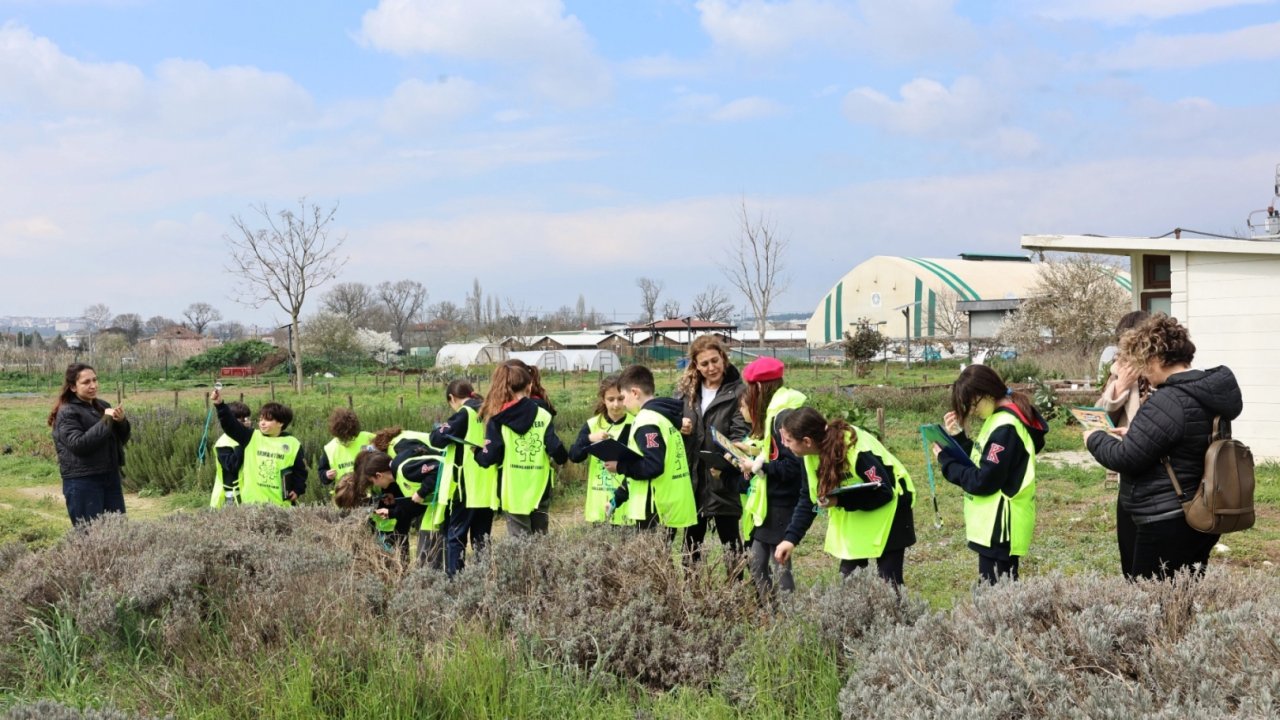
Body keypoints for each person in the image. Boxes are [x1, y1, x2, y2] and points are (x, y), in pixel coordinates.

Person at [1085, 314, 1242, 580]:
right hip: (1200, 508)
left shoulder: (1169, 400)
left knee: (1150, 596)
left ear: (1156, 357)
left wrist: (1093, 438)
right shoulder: (1205, 391)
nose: (1144, 372)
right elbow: (1181, 440)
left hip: (1166, 518)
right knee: (1182, 593)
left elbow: (1125, 458)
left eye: (1144, 363)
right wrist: (1138, 434)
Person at [776, 407, 916, 586]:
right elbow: (808, 499)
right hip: (859, 514)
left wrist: (839, 500)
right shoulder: (807, 456)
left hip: (893, 511)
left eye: (788, 440)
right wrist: (790, 539)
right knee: (849, 583)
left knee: (889, 583)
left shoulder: (856, 451)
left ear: (807, 441)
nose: (785, 445)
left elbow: (884, 492)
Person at [934, 364, 1047, 584]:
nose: (971, 411)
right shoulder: (997, 419)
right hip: (991, 526)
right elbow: (982, 461)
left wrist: (947, 463)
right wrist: (959, 438)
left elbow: (983, 480)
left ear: (986, 393)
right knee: (994, 592)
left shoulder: (1005, 428)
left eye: (972, 403)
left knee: (996, 595)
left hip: (1000, 527)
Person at [733, 357, 812, 601]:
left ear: (758, 387)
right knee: (756, 562)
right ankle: (770, 610)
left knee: (779, 566)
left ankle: (788, 613)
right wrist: (755, 453)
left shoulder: (781, 418)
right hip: (770, 501)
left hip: (782, 502)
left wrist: (758, 466)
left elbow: (792, 467)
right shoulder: (777, 412)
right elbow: (776, 453)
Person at [676, 336, 748, 563]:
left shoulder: (739, 392)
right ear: (696, 365)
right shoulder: (687, 392)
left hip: (722, 478)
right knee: (690, 547)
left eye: (715, 361)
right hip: (693, 479)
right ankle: (691, 586)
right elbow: (671, 421)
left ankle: (736, 585)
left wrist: (726, 462)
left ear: (723, 358)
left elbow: (740, 433)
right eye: (704, 363)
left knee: (731, 546)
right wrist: (679, 426)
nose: (711, 368)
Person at [475, 363, 568, 536]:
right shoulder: (543, 414)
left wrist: (477, 454)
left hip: (512, 489)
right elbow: (557, 450)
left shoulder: (497, 418)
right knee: (541, 537)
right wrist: (563, 457)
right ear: (529, 386)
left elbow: (489, 457)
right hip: (540, 486)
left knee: (519, 542)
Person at [608, 365, 697, 535]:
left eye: (623, 397)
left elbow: (653, 466)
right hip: (669, 502)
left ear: (635, 392)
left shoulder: (646, 421)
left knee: (653, 553)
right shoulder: (665, 416)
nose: (623, 404)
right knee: (662, 553)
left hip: (654, 507)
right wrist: (618, 497)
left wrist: (620, 466)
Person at [1095, 310, 1150, 574]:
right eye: (1123, 347)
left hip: (1159, 478)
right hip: (1129, 472)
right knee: (1129, 551)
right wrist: (1120, 387)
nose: (1126, 354)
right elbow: (1099, 416)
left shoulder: (1161, 374)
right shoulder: (1119, 372)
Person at [428, 379, 498, 576]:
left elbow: (436, 439)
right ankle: (484, 579)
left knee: (456, 537)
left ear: (452, 398)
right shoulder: (489, 410)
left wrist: (439, 427)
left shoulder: (465, 413)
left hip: (466, 486)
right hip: (487, 487)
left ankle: (456, 582)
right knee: (482, 539)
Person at [49, 363, 130, 526]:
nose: (93, 385)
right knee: (90, 534)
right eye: (86, 382)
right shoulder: (67, 412)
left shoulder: (103, 406)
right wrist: (106, 420)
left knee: (118, 531)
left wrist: (121, 421)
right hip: (83, 482)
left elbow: (121, 439)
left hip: (110, 477)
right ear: (73, 387)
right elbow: (79, 445)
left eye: (95, 380)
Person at [211, 389, 306, 506]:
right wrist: (220, 405)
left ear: (281, 423)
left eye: (268, 420)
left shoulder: (293, 444)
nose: (262, 423)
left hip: (281, 506)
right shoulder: (250, 436)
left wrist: (297, 489)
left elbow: (300, 471)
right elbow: (230, 425)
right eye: (261, 419)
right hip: (252, 506)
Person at [568, 374, 633, 526]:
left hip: (627, 504)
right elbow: (574, 456)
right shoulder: (592, 424)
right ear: (603, 399)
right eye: (611, 399)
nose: (616, 404)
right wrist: (590, 438)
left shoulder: (635, 423)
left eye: (620, 398)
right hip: (598, 503)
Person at [318, 408, 376, 499]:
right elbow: (322, 472)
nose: (346, 440)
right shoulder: (330, 448)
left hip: (370, 496)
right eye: (342, 438)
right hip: (344, 498)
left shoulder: (368, 439)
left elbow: (383, 459)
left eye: (350, 437)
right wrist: (327, 475)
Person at [210, 401, 251, 508]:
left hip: (249, 491)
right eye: (241, 419)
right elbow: (232, 466)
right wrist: (243, 442)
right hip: (232, 494)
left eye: (247, 418)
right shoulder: (223, 443)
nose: (246, 422)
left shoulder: (251, 436)